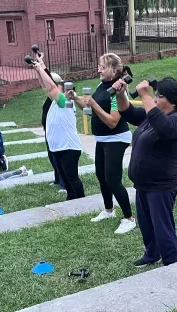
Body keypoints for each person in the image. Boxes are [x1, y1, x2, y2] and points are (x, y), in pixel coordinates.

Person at [110, 76, 177, 268]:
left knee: (163, 228)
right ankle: (152, 254)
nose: (154, 99)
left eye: (159, 96)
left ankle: (173, 264)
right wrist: (121, 95)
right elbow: (127, 112)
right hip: (143, 184)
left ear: (173, 101)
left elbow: (165, 129)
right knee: (146, 225)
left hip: (161, 186)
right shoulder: (151, 115)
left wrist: (144, 94)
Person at [71, 53, 136, 235]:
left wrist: (93, 103)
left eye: (103, 66)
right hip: (102, 139)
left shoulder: (118, 91)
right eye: (99, 65)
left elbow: (112, 122)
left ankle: (129, 219)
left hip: (116, 138)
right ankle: (108, 210)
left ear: (115, 71)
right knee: (101, 176)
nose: (98, 69)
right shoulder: (102, 85)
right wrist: (75, 97)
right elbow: (90, 111)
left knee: (113, 180)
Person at [30, 52, 85, 200]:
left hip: (68, 148)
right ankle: (71, 198)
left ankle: (82, 201)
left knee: (72, 178)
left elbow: (51, 87)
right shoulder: (55, 102)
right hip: (58, 147)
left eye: (60, 86)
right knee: (65, 179)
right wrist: (39, 68)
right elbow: (46, 86)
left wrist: (41, 69)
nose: (55, 87)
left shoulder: (66, 103)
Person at [40, 68, 67, 194]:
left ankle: (64, 184)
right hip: (49, 134)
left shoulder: (59, 99)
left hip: (59, 135)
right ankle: (57, 180)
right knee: (52, 157)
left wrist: (42, 69)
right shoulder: (50, 98)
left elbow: (49, 84)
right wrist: (38, 68)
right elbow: (45, 83)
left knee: (60, 159)